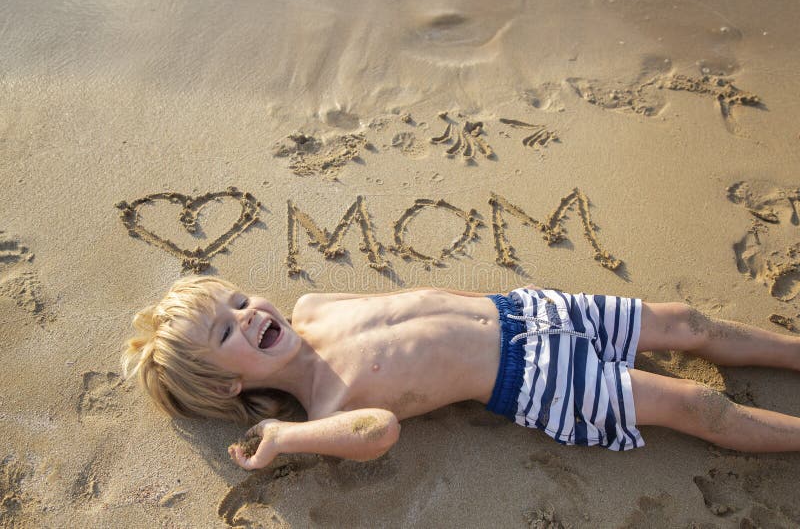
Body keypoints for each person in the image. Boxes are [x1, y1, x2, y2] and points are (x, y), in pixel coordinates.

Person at [122, 276, 800, 470]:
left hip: (528, 310)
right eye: (225, 330)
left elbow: (417, 302)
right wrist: (282, 437)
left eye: (239, 301)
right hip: (530, 377)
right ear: (225, 386)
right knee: (695, 405)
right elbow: (380, 431)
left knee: (688, 324)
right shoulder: (334, 403)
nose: (247, 315)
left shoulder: (311, 305)